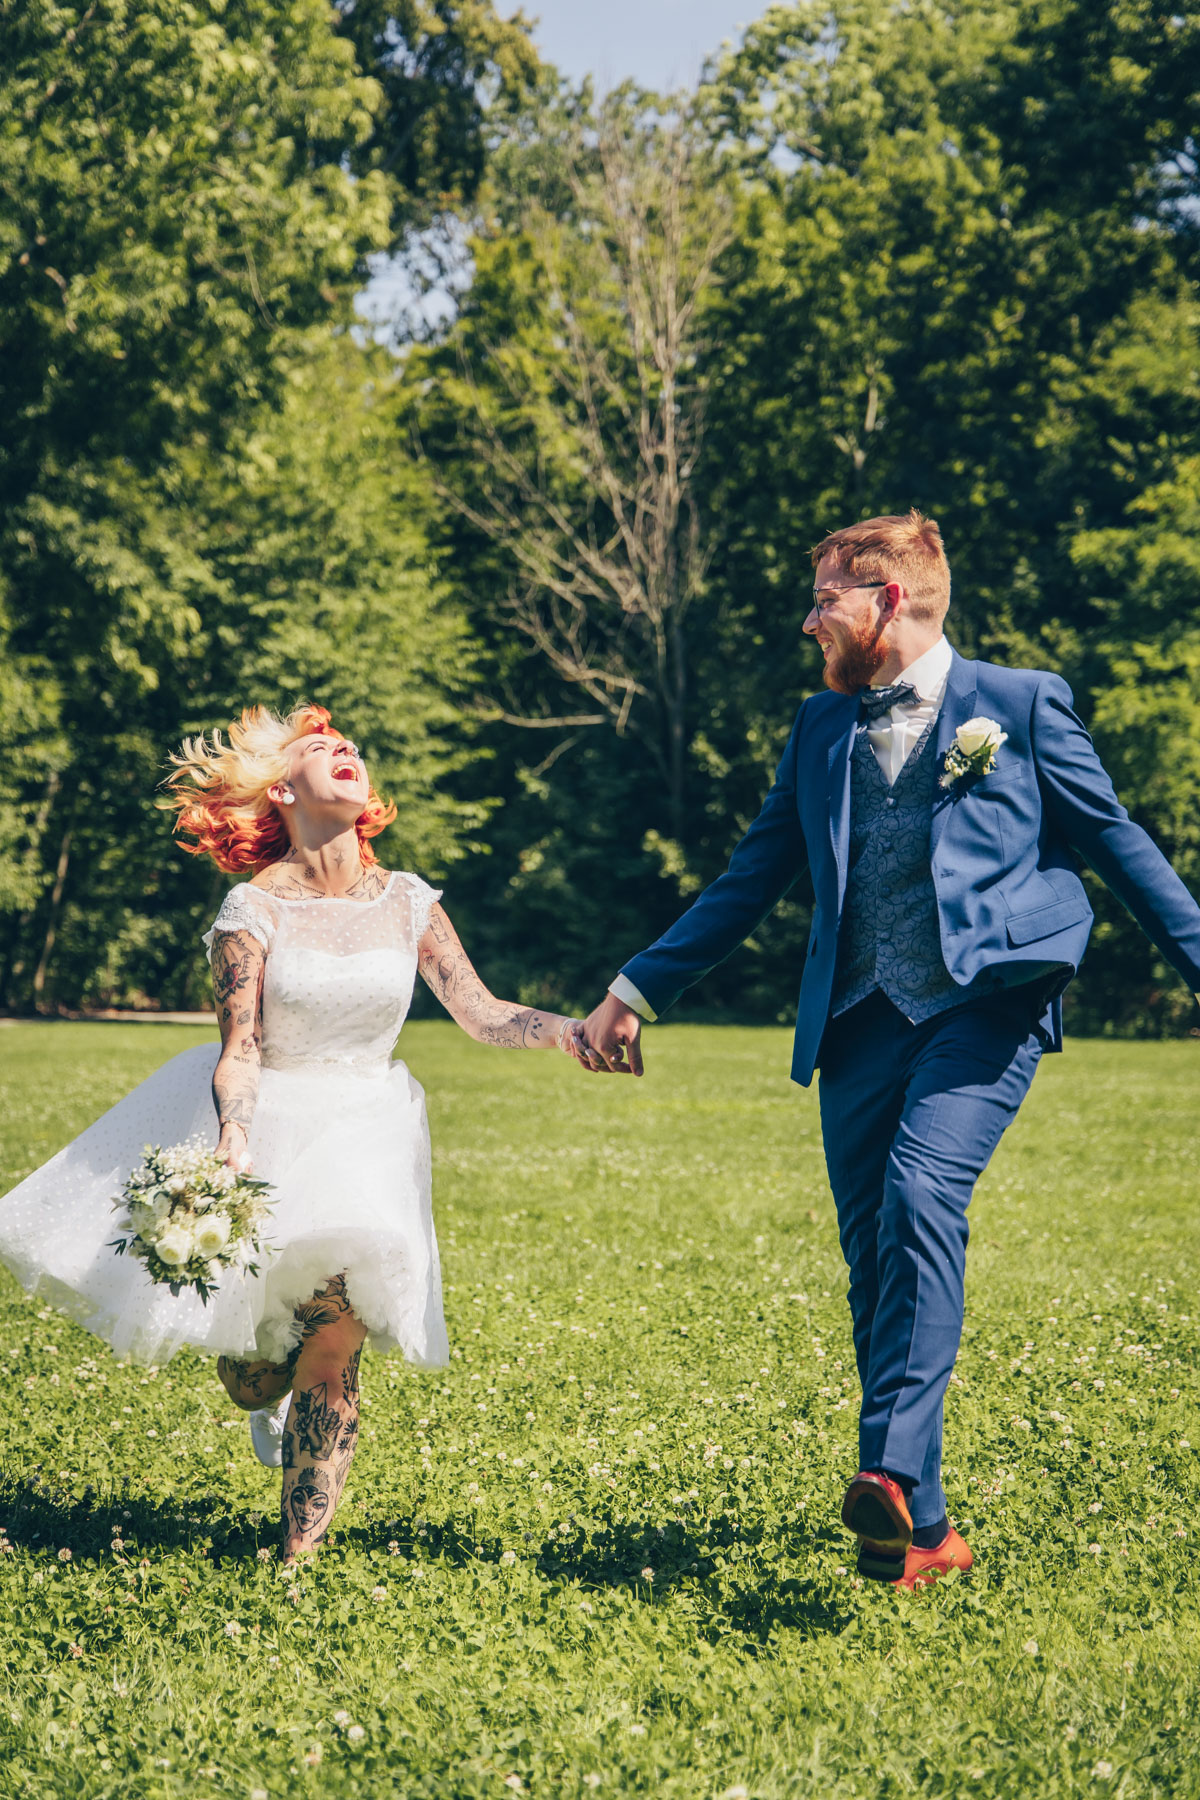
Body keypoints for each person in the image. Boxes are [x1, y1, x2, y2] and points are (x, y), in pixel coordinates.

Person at [577, 510, 1200, 1590]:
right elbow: (752, 874)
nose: (812, 620)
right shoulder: (821, 733)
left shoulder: (1020, 704)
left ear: (889, 601)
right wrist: (639, 985)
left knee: (922, 1197)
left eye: (827, 598)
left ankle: (891, 1472)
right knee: (875, 1259)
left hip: (986, 1001)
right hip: (859, 1016)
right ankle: (926, 1530)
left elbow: (1118, 844)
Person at [0, 703, 584, 1563]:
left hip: (367, 1127)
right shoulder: (252, 911)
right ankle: (262, 1387)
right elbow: (242, 1048)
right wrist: (234, 1133)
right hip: (273, 1121)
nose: (346, 751)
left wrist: (572, 1032)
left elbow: (482, 1011)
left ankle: (295, 1561)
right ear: (282, 790)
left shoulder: (409, 901)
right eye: (322, 747)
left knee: (337, 1333)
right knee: (253, 1371)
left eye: (351, 746)